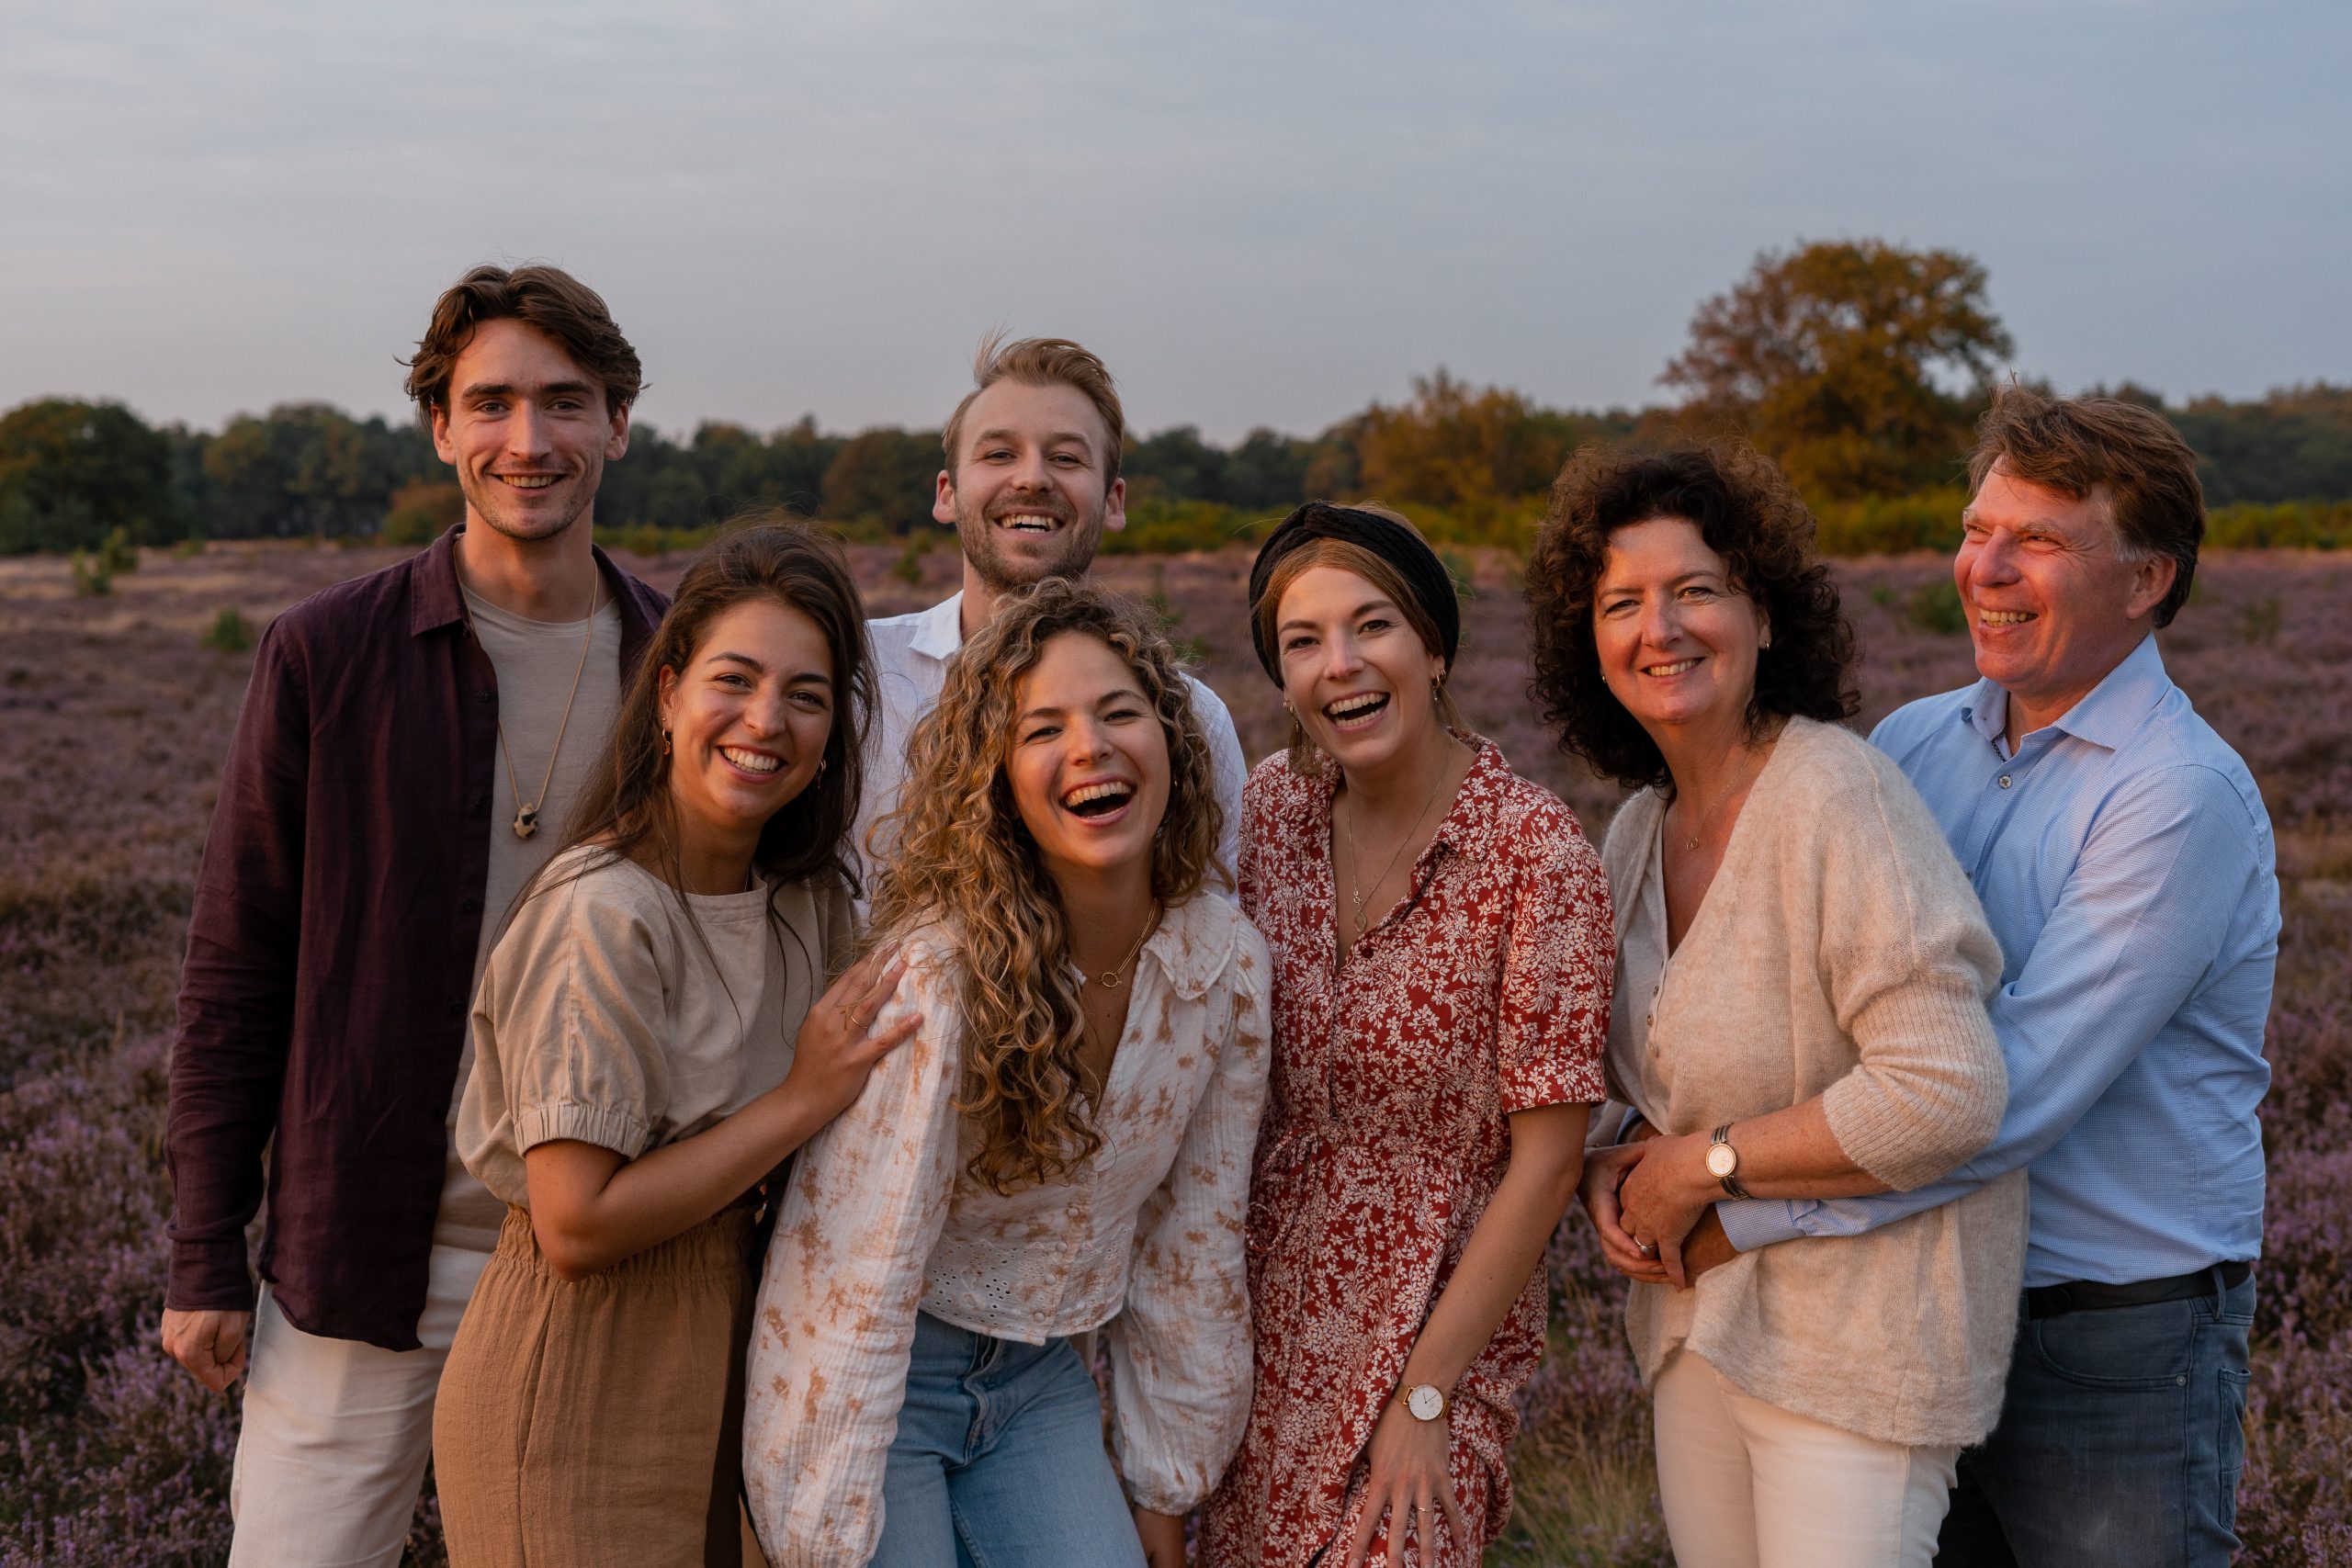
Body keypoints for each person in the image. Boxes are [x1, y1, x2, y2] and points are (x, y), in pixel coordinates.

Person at [1713, 389, 2278, 1567]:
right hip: (1914, 1304)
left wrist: (1731, 1203)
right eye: (1979, 529)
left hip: (2110, 1339)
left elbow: (1998, 1096)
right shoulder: (1912, 745)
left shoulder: (2175, 798)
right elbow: (1813, 1009)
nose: (1988, 567)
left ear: (2147, 580)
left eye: (2041, 541)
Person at [160, 264, 669, 1566]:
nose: (528, 440)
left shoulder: (685, 664)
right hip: (362, 1256)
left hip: (597, 1262)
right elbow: (236, 965)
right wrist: (204, 1244)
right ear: (439, 425)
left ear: (619, 421)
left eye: (567, 402)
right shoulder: (328, 652)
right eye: (488, 402)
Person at [1528, 445, 2023, 1567]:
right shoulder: (1633, 837)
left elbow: (1946, 1091)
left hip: (1856, 1352)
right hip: (1695, 1328)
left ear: (1763, 617)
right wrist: (1611, 1162)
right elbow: (1635, 1091)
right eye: (1622, 603)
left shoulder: (1836, 798)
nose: (1660, 628)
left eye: (1697, 590)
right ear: (1589, 647)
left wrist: (1701, 1164)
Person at [743, 580, 1271, 1568]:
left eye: (1121, 713)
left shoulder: (1225, 965)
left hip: (1040, 1381)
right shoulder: (937, 978)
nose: (1091, 748)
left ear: (1172, 741)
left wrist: (1165, 1486)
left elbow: (1194, 1240)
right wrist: (827, 1528)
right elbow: (847, 1275)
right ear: (994, 778)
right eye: (1043, 730)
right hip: (886, 1380)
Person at [432, 523, 913, 1566]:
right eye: (733, 680)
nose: (765, 721)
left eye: (807, 695)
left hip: (740, 1353)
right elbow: (577, 1224)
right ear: (666, 694)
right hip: (580, 1369)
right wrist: (799, 1098)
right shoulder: (604, 913)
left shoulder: (808, 903)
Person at [1199, 503, 1611, 1568]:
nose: (1340, 665)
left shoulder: (1532, 850)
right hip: (1251, 1336)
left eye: (1371, 626)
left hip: (1433, 1336)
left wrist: (1426, 1398)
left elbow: (1550, 1155)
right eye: (1303, 642)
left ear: (1431, 647)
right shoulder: (1271, 815)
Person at [851, 333, 1247, 897]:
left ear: (1113, 501)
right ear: (947, 493)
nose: (1033, 479)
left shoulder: (1192, 722)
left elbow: (1213, 922)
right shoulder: (857, 676)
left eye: (1065, 457)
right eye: (998, 454)